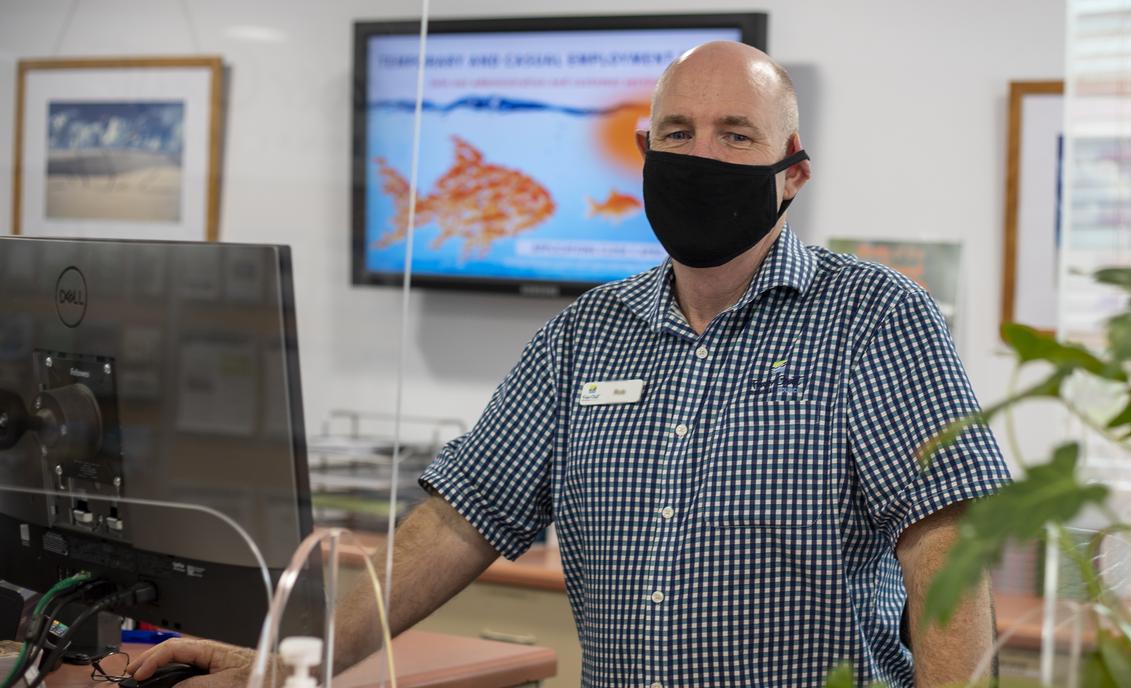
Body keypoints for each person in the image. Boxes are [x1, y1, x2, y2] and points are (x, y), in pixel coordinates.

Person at [128, 41, 1009, 688]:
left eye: (736, 136)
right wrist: (282, 666)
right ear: (644, 156)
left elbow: (950, 564)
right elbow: (454, 525)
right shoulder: (583, 335)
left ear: (792, 174)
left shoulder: (874, 319)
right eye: (678, 130)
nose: (700, 155)